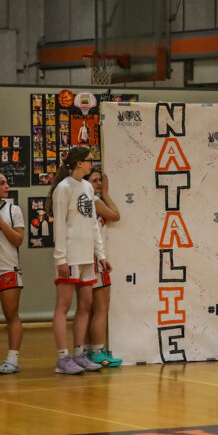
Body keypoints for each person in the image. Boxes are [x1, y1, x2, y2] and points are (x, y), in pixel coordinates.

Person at [47, 146, 111, 374]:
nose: (92, 163)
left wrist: (101, 255)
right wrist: (61, 258)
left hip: (86, 256)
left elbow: (93, 224)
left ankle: (79, 353)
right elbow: (60, 225)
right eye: (88, 160)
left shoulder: (86, 187)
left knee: (86, 305)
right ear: (77, 163)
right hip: (70, 255)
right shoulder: (63, 189)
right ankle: (62, 358)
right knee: (63, 306)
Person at [83, 167, 122, 368]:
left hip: (86, 259)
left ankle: (90, 350)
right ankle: (98, 352)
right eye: (95, 180)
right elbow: (116, 215)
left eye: (101, 180)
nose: (99, 183)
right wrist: (105, 193)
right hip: (96, 259)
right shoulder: (94, 201)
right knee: (101, 309)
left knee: (89, 310)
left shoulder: (81, 201)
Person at [0, 174, 24, 374]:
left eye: (6, 182)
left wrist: (0, 222)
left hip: (7, 267)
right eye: (2, 183)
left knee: (11, 314)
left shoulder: (14, 210)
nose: (7, 186)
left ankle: (12, 359)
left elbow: (19, 239)